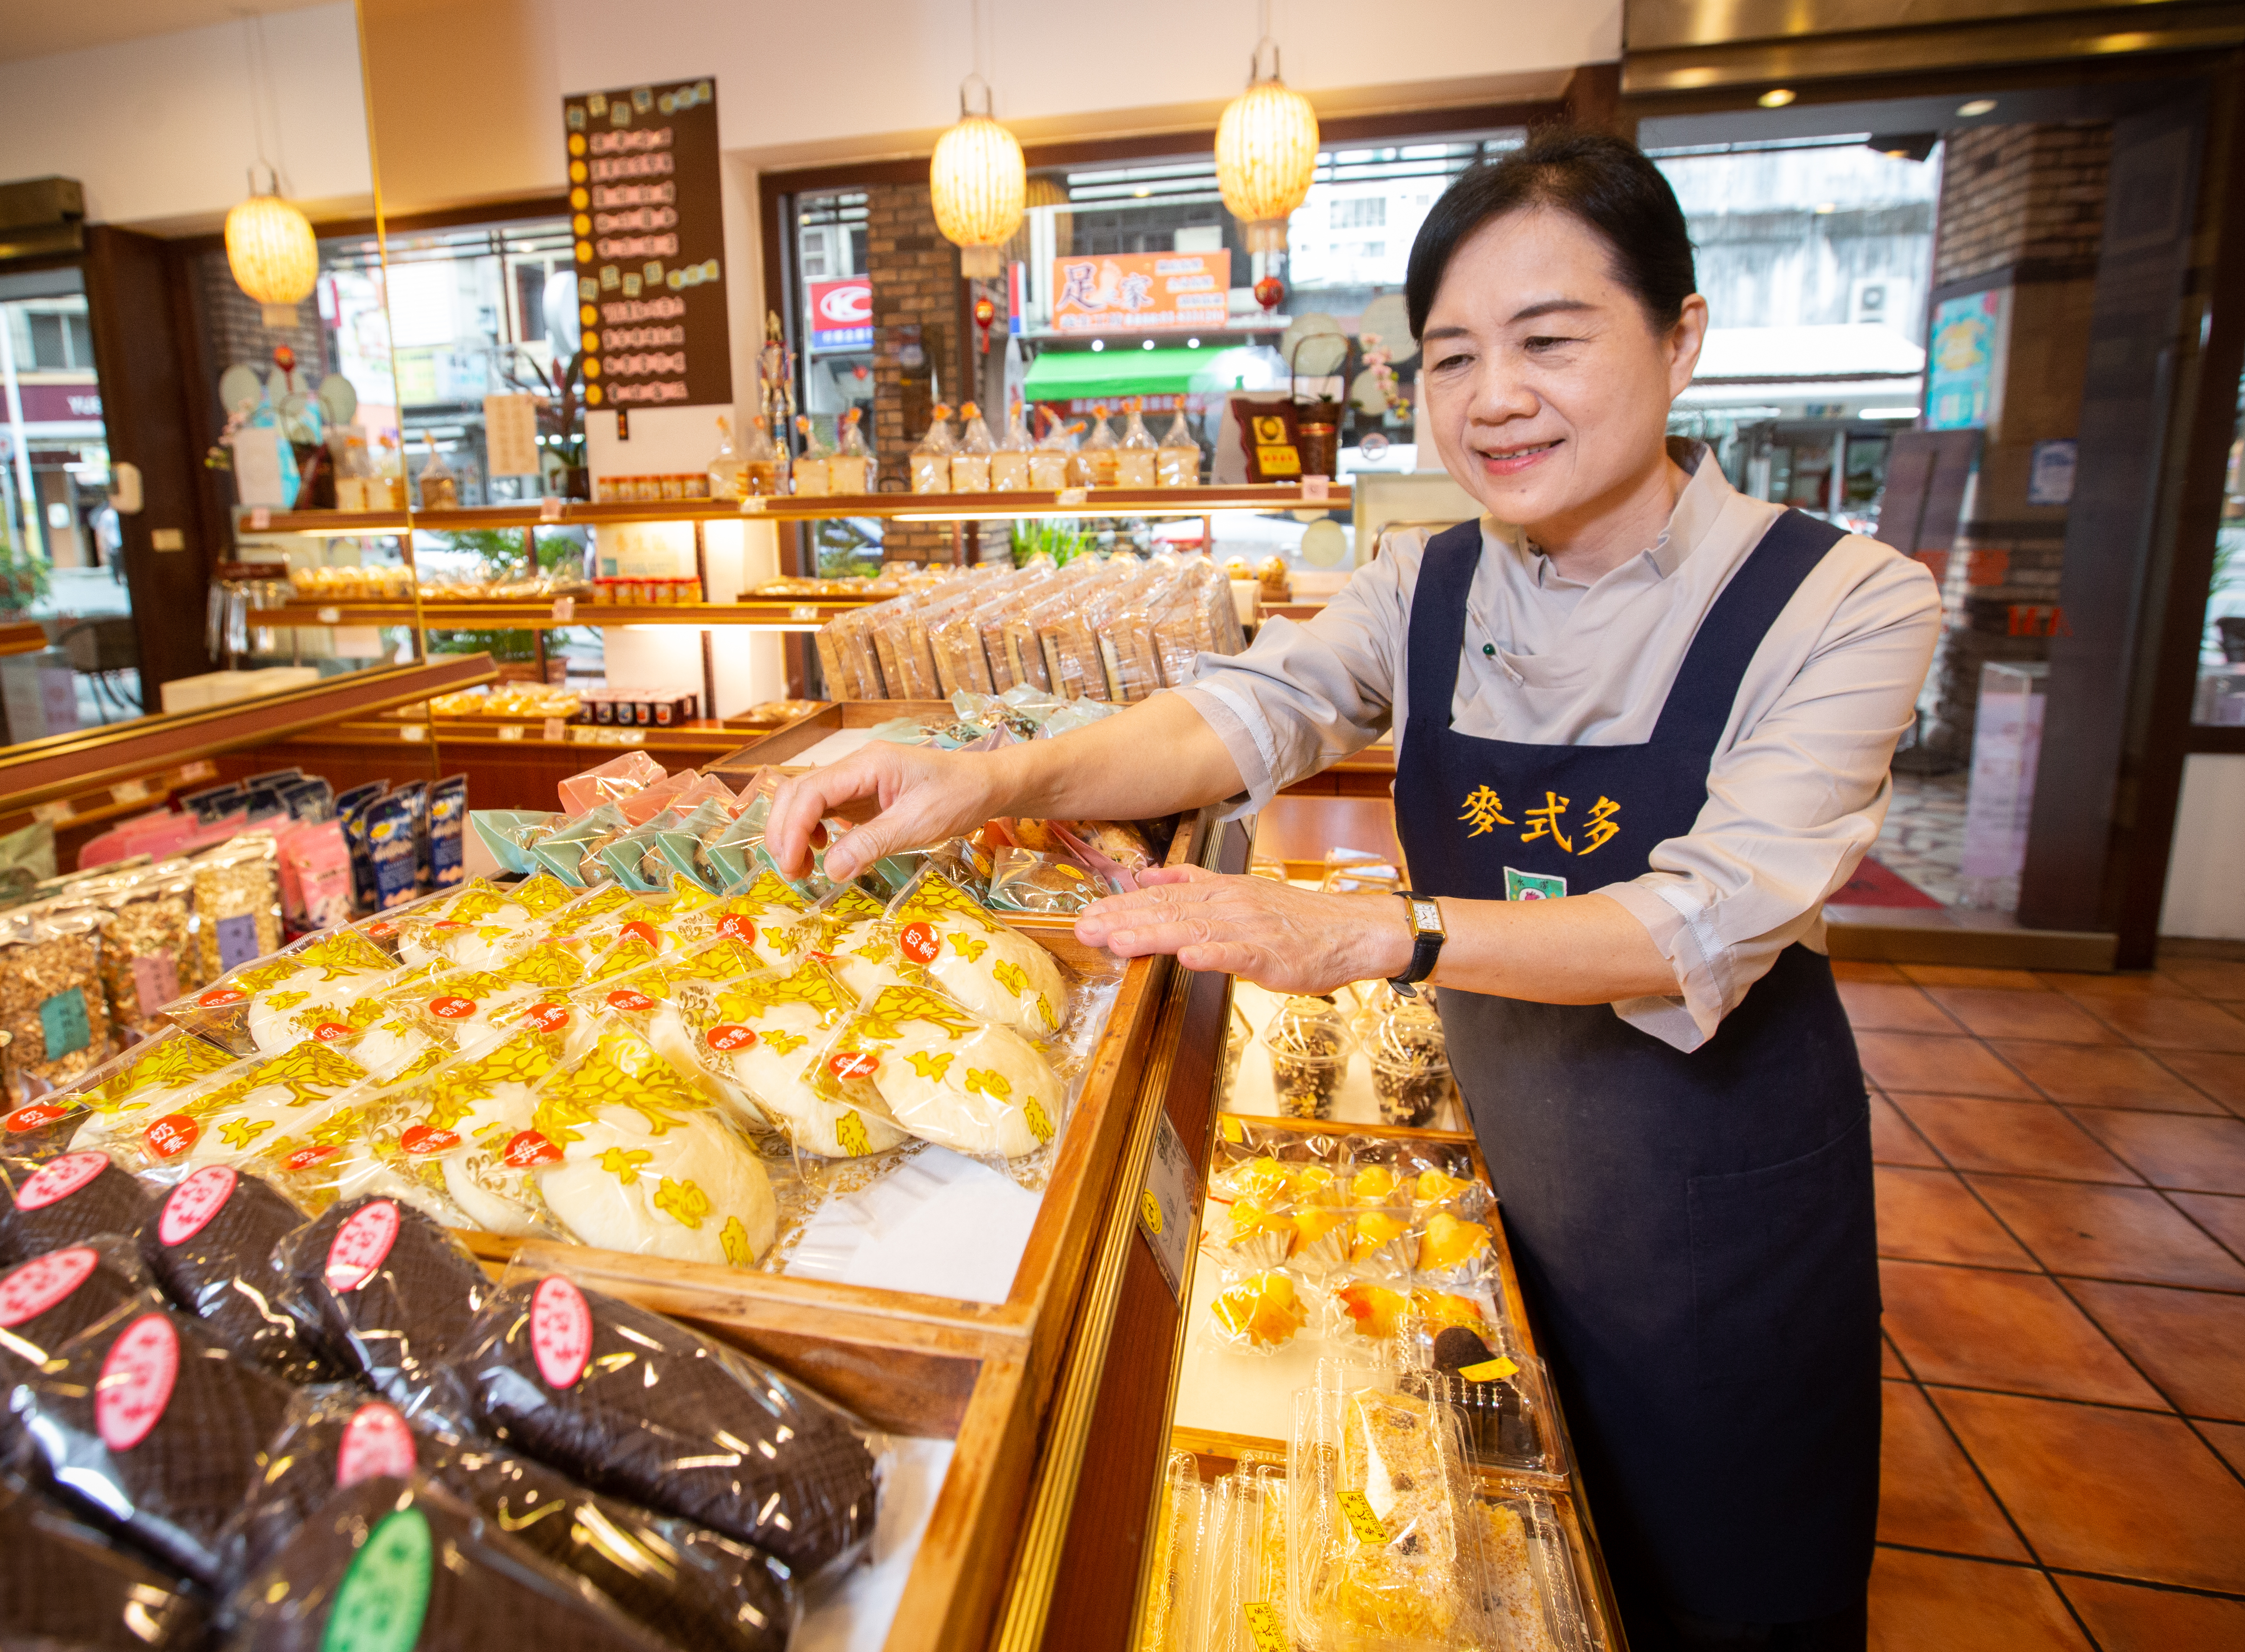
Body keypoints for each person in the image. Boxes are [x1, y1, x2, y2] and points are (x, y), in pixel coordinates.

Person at [765, 129, 1941, 1650]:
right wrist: (996, 778)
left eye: (1549, 340)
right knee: (1505, 1560)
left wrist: (1379, 929)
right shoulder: (1427, 583)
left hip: (1708, 1201)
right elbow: (1240, 715)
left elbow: (1706, 913)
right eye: (1451, 357)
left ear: (1682, 339)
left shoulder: (1844, 600)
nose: (1494, 397)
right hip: (1508, 1153)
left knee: (1724, 1584)